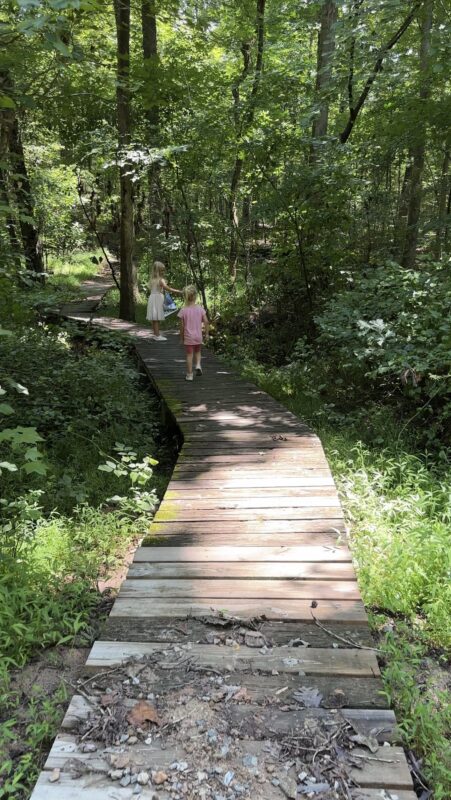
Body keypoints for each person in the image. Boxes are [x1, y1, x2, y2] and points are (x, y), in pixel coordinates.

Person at [178, 285, 209, 381]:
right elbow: (206, 321)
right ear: (195, 296)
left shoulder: (183, 310)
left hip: (188, 337)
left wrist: (181, 338)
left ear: (185, 297)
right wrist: (206, 333)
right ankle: (198, 365)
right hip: (198, 336)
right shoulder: (200, 309)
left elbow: (182, 327)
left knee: (189, 355)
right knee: (198, 351)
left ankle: (189, 374)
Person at [146, 261, 182, 341]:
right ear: (157, 271)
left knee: (154, 318)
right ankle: (157, 335)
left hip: (152, 298)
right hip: (157, 299)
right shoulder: (160, 280)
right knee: (156, 319)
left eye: (163, 270)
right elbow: (168, 289)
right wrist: (179, 291)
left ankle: (155, 334)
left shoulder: (152, 279)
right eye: (161, 270)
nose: (163, 272)